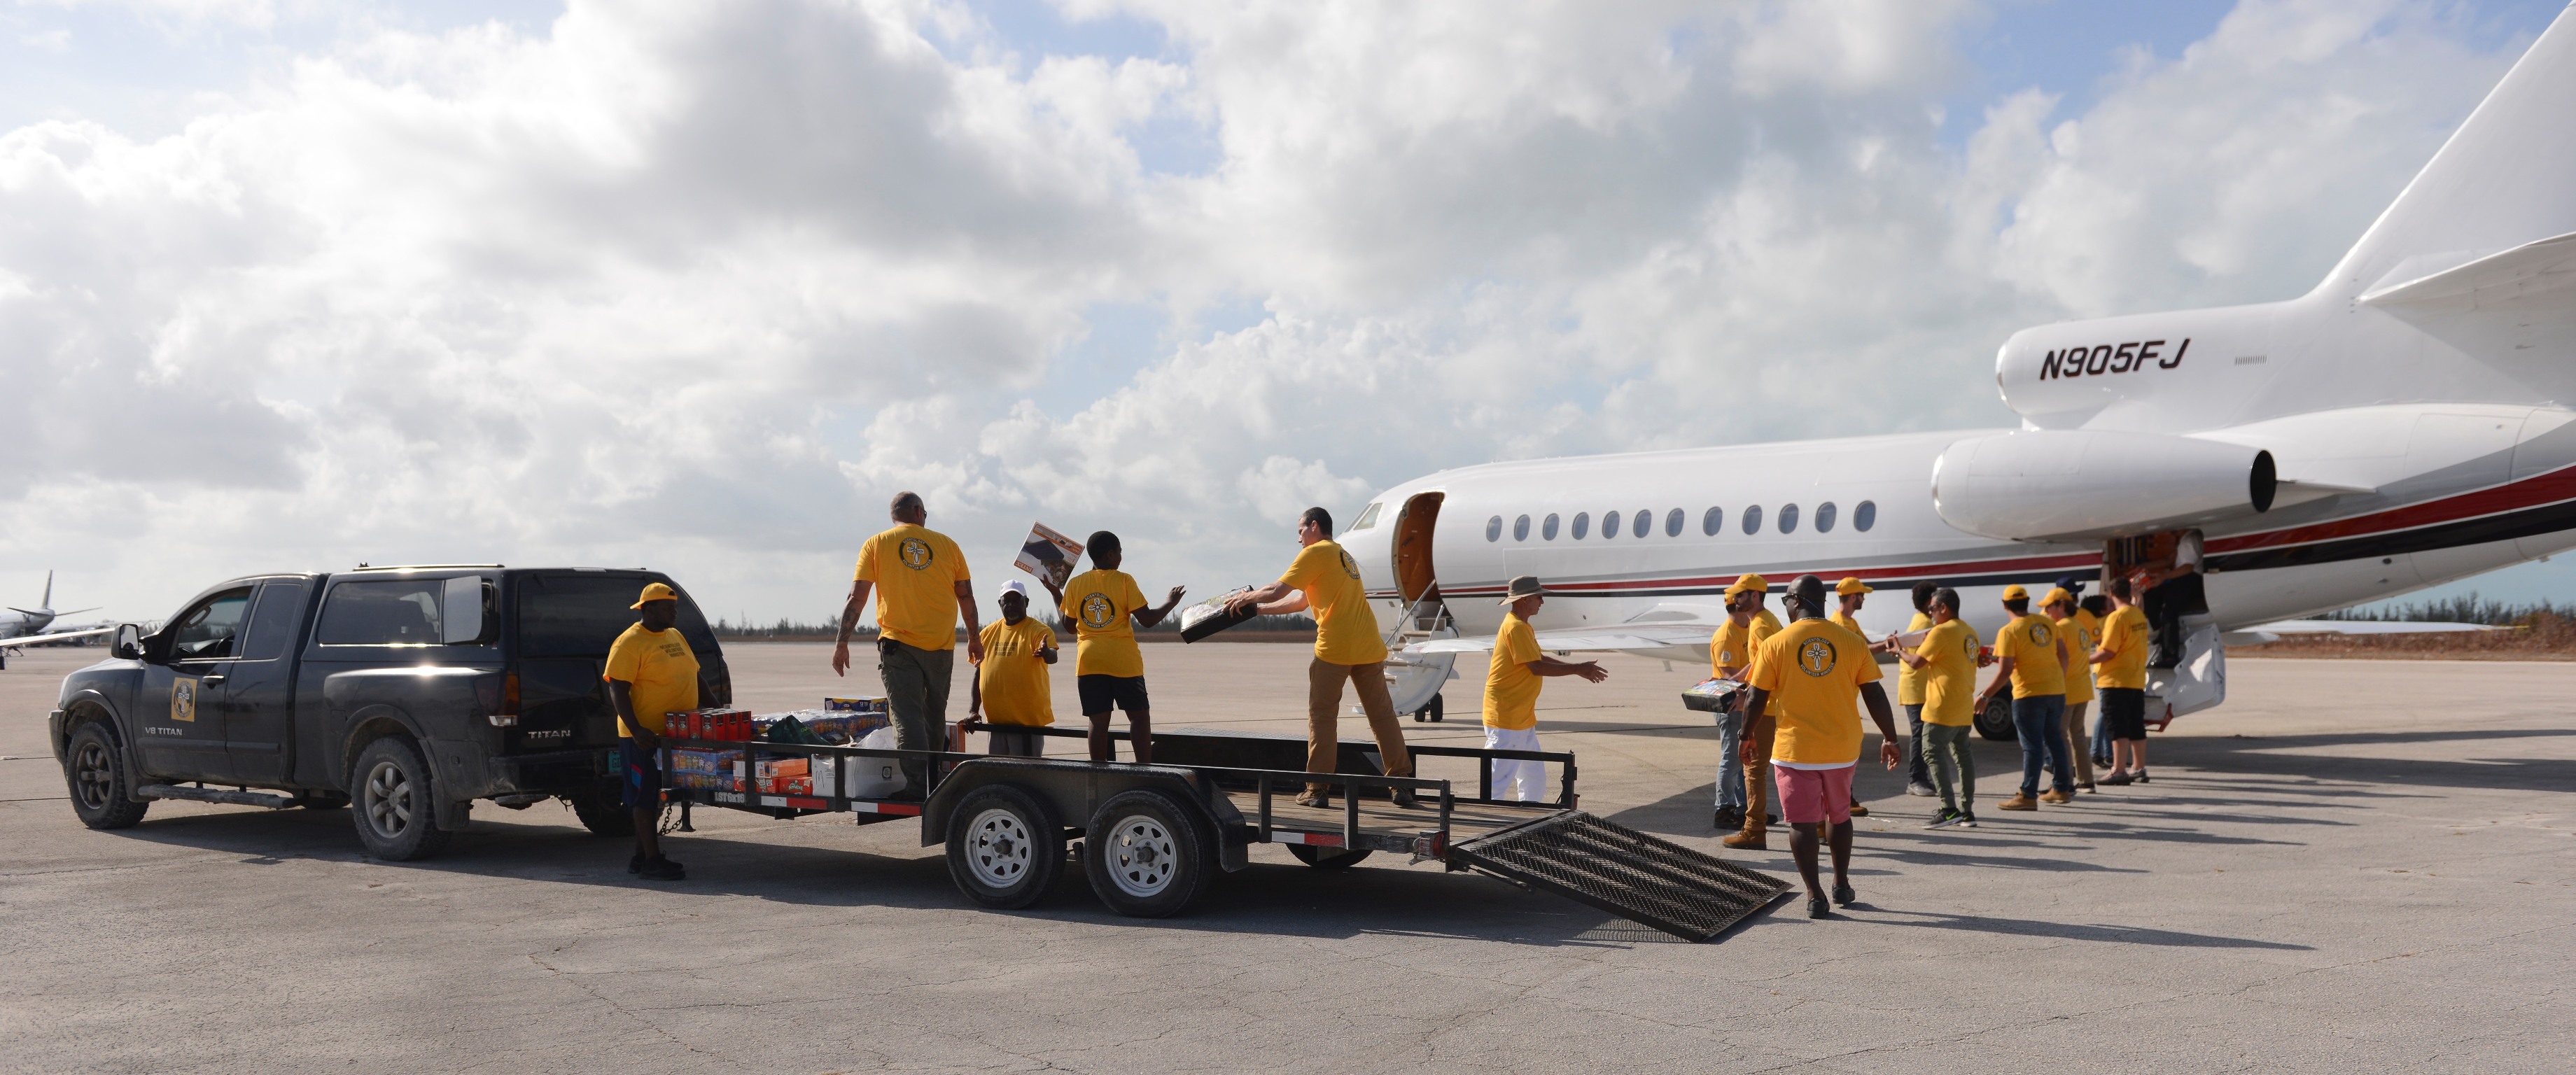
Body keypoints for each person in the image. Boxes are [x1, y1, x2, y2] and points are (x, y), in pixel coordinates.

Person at [1224, 507, 1418, 809]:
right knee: (1382, 717)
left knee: (1323, 717)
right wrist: (1258, 609)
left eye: (1300, 532)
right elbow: (1300, 602)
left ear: (1314, 527)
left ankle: (1317, 789)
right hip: (1367, 647)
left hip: (1336, 649)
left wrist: (1245, 598)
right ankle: (1401, 783)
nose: (1299, 539)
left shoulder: (1314, 554)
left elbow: (1276, 589)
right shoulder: (1342, 555)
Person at [1740, 575, 1903, 919]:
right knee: (1840, 816)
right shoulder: (1851, 641)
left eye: (1785, 599)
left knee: (1801, 824)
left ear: (1797, 601)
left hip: (1795, 750)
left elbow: (1756, 696)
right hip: (1841, 748)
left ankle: (1815, 895)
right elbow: (1874, 692)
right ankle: (1841, 883)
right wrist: (1889, 737)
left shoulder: (1776, 643)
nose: (1783, 605)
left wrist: (1746, 735)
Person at [832, 491, 981, 796]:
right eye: (925, 512)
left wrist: (841, 642)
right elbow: (965, 596)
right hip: (941, 647)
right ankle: (934, 781)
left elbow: (856, 596)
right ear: (916, 510)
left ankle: (917, 785)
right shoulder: (948, 545)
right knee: (934, 716)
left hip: (899, 645)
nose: (926, 518)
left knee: (907, 716)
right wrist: (974, 639)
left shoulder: (877, 543)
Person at [1042, 531, 1184, 764]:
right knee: (1139, 718)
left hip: (1089, 662)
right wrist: (1171, 602)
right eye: (1119, 552)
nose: (1121, 557)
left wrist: (1056, 593)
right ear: (1110, 555)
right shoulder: (1124, 580)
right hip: (1123, 661)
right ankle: (1144, 769)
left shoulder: (1076, 583)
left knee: (1098, 722)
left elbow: (1069, 626)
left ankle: (1098, 772)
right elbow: (1147, 620)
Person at [604, 582, 708, 882]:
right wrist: (636, 729)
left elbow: (696, 676)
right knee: (642, 796)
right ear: (648, 609)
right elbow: (618, 689)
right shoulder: (629, 642)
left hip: (676, 734)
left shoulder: (675, 636)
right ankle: (651, 861)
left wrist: (718, 712)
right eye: (668, 607)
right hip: (643, 737)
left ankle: (641, 856)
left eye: (675, 607)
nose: (675, 613)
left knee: (654, 797)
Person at [1482, 576, 1609, 801]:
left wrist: (1578, 668)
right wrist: (1577, 669)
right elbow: (1536, 667)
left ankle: (1530, 820)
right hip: (1507, 718)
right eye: (1539, 597)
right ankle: (1486, 825)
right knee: (1497, 784)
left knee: (1534, 778)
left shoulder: (1522, 626)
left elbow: (1537, 658)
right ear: (1524, 599)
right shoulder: (1516, 627)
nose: (1542, 601)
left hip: (1521, 717)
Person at [1976, 584, 2076, 810]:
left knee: (2032, 746)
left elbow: (2005, 671)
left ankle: (2028, 794)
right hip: (2056, 690)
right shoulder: (2048, 623)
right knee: (2055, 740)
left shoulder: (2009, 631)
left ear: (2005, 605)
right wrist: (2057, 678)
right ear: (2028, 602)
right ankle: (2061, 789)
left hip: (2029, 694)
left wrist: (1984, 696)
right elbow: (2064, 655)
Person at [1900, 587, 1980, 828]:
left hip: (1942, 707)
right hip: (1964, 706)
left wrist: (1898, 650)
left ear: (1944, 608)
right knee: (1964, 758)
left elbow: (1915, 663)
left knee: (1932, 752)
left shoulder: (1941, 632)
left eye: (1933, 609)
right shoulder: (1970, 632)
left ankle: (1948, 809)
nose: (1931, 613)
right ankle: (1967, 812)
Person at [1715, 575, 1784, 848]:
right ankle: (1814, 825)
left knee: (1754, 769)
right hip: (1771, 703)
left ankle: (1754, 830)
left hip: (1765, 706)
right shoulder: (1767, 621)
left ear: (1755, 596)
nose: (1735, 600)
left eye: (1741, 595)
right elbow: (1759, 665)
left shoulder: (1759, 626)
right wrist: (1737, 684)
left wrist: (1742, 692)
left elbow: (1767, 667)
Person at [969, 580, 1058, 757]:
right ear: (999, 603)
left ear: (1026, 602)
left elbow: (1053, 656)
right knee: (999, 776)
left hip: (1027, 725)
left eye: (1016, 600)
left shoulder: (1038, 631)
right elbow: (979, 674)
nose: (1011, 605)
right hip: (996, 724)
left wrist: (1046, 652)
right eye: (1006, 600)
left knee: (1025, 776)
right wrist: (973, 710)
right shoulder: (987, 633)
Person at [2092, 575, 2155, 785]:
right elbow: (2139, 606)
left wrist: (2084, 660)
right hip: (2135, 678)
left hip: (2115, 679)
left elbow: (2108, 651)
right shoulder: (2138, 614)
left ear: (2111, 595)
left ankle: (2119, 770)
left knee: (2117, 726)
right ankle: (2139, 767)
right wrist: (2138, 594)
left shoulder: (2117, 618)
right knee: (2136, 725)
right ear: (2129, 594)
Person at [1883, 581, 1939, 798]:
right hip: (1916, 687)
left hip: (1917, 686)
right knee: (1920, 734)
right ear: (1928, 602)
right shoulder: (1925, 623)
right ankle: (1916, 780)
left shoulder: (1921, 620)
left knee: (1924, 734)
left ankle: (1921, 777)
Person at [1826, 577, 1875, 818]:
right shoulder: (1839, 624)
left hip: (1849, 695)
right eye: (1861, 594)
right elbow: (1859, 652)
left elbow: (1866, 648)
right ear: (1852, 596)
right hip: (1841, 697)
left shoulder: (1851, 622)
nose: (1864, 598)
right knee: (1843, 748)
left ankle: (1845, 797)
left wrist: (1889, 644)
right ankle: (1845, 799)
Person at [2045, 586, 2099, 792]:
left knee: (2060, 735)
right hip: (2083, 686)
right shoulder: (2079, 626)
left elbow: (2055, 657)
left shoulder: (2062, 628)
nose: (2046, 612)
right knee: (2078, 735)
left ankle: (2065, 781)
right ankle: (2087, 780)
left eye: (2049, 607)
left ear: (2061, 605)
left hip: (2067, 688)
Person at [2143, 530, 2206, 669]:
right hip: (2185, 579)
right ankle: (2161, 632)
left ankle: (2170, 656)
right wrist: (2143, 567)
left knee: (2169, 611)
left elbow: (2188, 568)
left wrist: (2163, 578)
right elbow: (2169, 560)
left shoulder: (2189, 540)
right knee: (2150, 595)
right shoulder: (2186, 539)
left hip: (2190, 580)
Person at [2080, 593, 2116, 768]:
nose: (2114, 606)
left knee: (2109, 714)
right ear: (2102, 612)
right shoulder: (2106, 622)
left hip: (2103, 670)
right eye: (2110, 605)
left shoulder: (2100, 621)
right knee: (2105, 713)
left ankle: (2109, 754)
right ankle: (2096, 751)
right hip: (2104, 671)